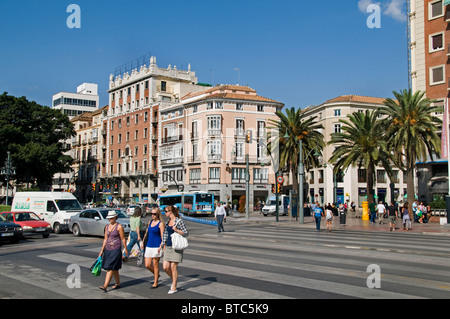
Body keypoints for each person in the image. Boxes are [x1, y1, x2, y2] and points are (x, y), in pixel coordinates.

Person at [161, 205, 189, 294]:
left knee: (173, 267)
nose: (165, 213)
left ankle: (174, 286)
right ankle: (174, 279)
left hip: (176, 247)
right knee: (165, 267)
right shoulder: (167, 222)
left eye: (166, 211)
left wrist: (176, 230)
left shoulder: (179, 221)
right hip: (168, 246)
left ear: (171, 212)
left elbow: (186, 233)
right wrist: (163, 244)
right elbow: (165, 234)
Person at [98, 210, 128, 292]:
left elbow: (122, 238)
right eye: (108, 218)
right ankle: (118, 283)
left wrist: (125, 249)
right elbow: (105, 239)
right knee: (114, 268)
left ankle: (105, 285)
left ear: (115, 217)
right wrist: (102, 250)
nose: (109, 219)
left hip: (116, 249)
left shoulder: (119, 227)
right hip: (108, 249)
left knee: (110, 267)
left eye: (111, 218)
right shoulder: (107, 227)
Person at [141, 207, 165, 288]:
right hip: (149, 245)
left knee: (155, 264)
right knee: (147, 264)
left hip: (156, 246)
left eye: (154, 214)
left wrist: (161, 246)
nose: (152, 215)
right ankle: (156, 274)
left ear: (158, 214)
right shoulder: (150, 222)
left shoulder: (160, 224)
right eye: (151, 214)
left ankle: (155, 282)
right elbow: (146, 233)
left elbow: (162, 236)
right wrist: (142, 242)